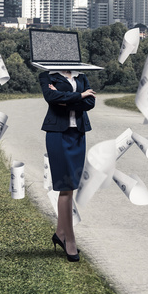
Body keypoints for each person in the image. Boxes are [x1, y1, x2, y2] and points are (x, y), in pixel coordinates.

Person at [39, 68, 96, 262]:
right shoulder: (47, 76)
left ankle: (60, 233)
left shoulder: (81, 75)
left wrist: (65, 99)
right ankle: (70, 240)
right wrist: (79, 95)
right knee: (65, 188)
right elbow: (51, 98)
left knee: (71, 186)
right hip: (58, 134)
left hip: (78, 134)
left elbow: (90, 103)